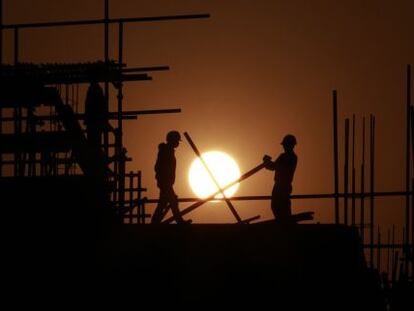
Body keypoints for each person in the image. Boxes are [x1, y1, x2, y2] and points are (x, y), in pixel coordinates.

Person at [151, 130, 191, 224]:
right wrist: (163, 180)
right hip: (165, 182)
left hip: (166, 182)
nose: (178, 143)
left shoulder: (168, 151)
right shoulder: (165, 151)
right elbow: (158, 166)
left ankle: (154, 223)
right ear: (172, 140)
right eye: (177, 141)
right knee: (173, 201)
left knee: (163, 203)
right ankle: (179, 221)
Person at [263, 134, 298, 223]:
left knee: (279, 206)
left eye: (286, 145)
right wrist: (267, 163)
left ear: (290, 145)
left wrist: (266, 162)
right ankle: (285, 224)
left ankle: (285, 226)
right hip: (283, 185)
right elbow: (274, 166)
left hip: (282, 186)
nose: (284, 147)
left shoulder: (289, 157)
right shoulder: (290, 157)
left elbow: (274, 166)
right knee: (279, 206)